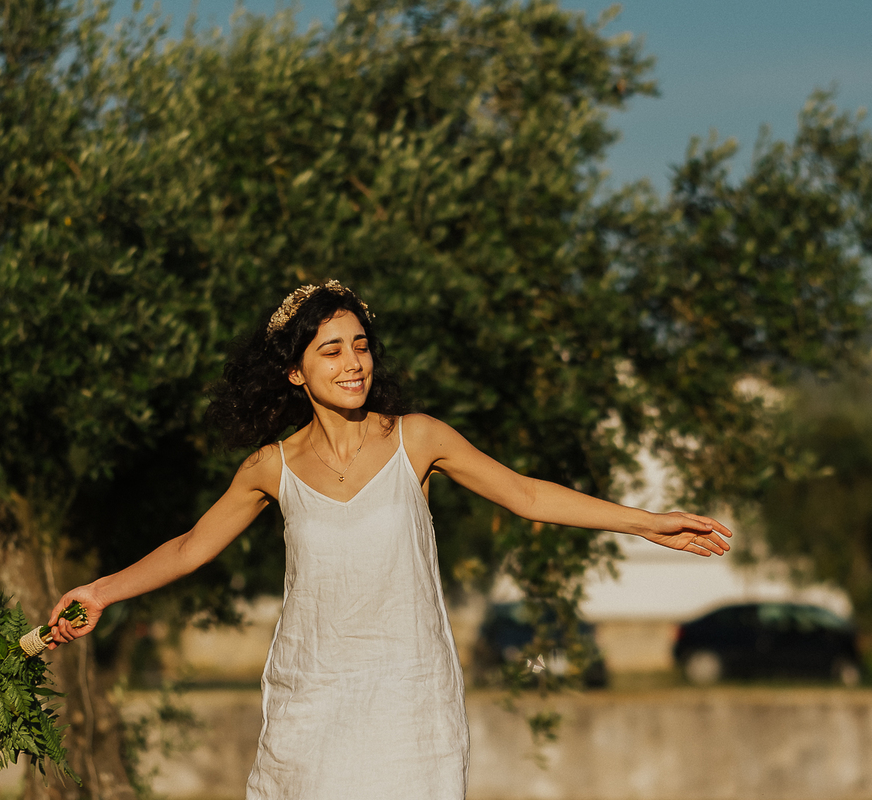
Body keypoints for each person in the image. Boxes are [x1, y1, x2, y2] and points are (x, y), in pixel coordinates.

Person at [46, 279, 732, 800]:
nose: (353, 363)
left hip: (410, 703)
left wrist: (647, 522)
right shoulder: (269, 468)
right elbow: (193, 546)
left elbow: (525, 495)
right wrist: (100, 592)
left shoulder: (418, 439)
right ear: (295, 372)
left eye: (361, 346)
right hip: (310, 704)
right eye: (331, 350)